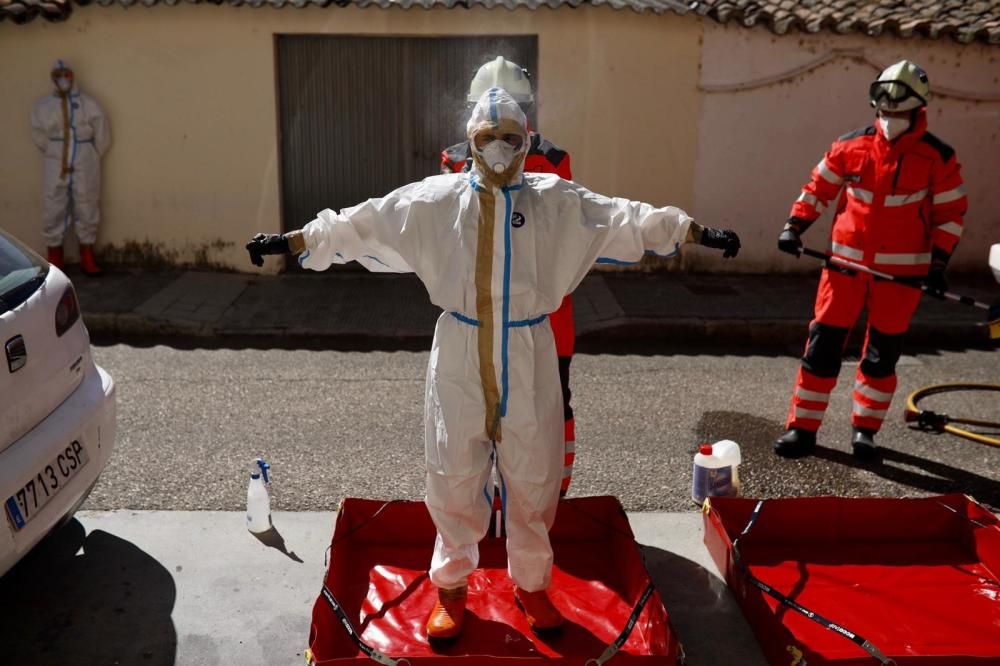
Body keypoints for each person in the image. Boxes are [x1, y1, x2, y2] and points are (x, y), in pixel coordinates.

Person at [246, 87, 741, 640]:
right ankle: (452, 590)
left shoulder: (555, 200)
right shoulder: (437, 199)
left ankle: (531, 586)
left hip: (529, 351)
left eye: (511, 138)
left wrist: (690, 230)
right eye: (488, 138)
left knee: (534, 474)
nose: (500, 149)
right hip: (460, 349)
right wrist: (295, 240)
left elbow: (623, 217)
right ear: (471, 143)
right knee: (453, 471)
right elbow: (365, 221)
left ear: (526, 143)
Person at [774, 60, 967, 461]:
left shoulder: (938, 158)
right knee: (822, 349)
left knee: (880, 358)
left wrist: (938, 265)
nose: (889, 119)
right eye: (884, 111)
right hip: (843, 268)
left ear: (917, 110)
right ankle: (802, 430)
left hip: (902, 276)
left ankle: (865, 433)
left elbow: (950, 216)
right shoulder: (850, 146)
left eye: (898, 112)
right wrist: (795, 226)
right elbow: (818, 188)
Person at [441, 56, 579, 498]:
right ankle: (541, 496)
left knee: (512, 408)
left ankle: (517, 497)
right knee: (542, 409)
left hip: (521, 313)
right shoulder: (552, 158)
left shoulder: (459, 159)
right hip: (532, 314)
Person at [31, 59, 111, 276]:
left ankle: (87, 254)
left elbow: (102, 132)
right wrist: (54, 150)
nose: (63, 79)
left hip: (84, 156)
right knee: (53, 202)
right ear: (53, 77)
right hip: (55, 156)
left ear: (73, 76)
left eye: (67, 74)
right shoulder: (44, 106)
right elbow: (38, 133)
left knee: (87, 200)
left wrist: (92, 154)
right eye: (59, 75)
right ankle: (55, 256)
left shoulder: (88, 104)